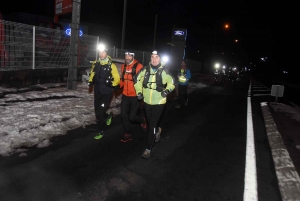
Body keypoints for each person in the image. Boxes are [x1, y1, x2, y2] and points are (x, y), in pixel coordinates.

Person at [134, 50, 175, 159]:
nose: (154, 59)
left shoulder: (165, 71)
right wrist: (139, 92)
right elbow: (137, 80)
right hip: (147, 101)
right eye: (152, 57)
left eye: (157, 57)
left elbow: (172, 82)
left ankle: (148, 149)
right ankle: (157, 131)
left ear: (160, 59)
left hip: (159, 102)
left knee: (151, 124)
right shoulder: (145, 70)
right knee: (150, 122)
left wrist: (166, 91)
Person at [88, 44, 120, 140]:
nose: (101, 54)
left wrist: (112, 83)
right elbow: (93, 73)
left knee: (100, 112)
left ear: (106, 53)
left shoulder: (111, 65)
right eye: (100, 52)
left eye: (103, 52)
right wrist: (90, 81)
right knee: (97, 113)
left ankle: (101, 131)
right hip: (97, 91)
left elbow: (117, 78)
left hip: (107, 92)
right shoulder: (96, 63)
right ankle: (108, 115)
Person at [119, 50, 148, 142]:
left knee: (132, 117)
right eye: (126, 56)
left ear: (133, 57)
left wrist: (142, 93)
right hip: (125, 94)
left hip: (135, 95)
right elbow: (122, 80)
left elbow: (143, 81)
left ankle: (142, 120)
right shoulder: (123, 66)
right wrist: (116, 86)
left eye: (129, 56)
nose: (127, 58)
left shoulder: (139, 66)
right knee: (123, 115)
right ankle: (128, 133)